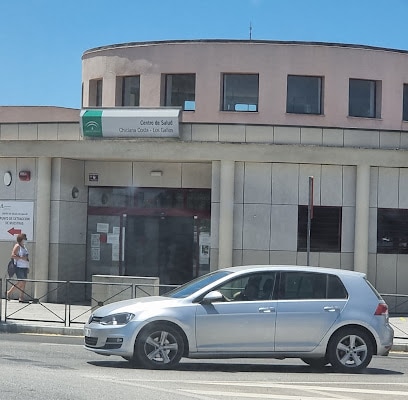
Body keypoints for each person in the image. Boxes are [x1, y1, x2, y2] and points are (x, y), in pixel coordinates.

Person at [6, 233, 30, 302]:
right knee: (21, 282)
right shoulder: (17, 246)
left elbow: (27, 258)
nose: (25, 240)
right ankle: (9, 292)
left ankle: (21, 297)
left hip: (25, 267)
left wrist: (28, 267)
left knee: (24, 282)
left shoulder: (24, 247)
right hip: (19, 267)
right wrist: (21, 258)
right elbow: (13, 255)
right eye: (24, 239)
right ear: (21, 240)